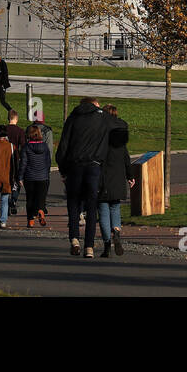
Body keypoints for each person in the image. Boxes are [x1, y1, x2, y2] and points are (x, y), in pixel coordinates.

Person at [55, 96, 113, 258]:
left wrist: (63, 169)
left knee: (73, 204)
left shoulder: (73, 118)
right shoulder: (101, 119)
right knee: (91, 206)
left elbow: (64, 146)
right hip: (94, 166)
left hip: (75, 165)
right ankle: (89, 246)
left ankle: (74, 239)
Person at [96, 104, 134, 256]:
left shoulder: (100, 135)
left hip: (103, 179)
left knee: (103, 212)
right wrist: (130, 176)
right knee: (115, 208)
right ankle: (117, 230)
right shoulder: (121, 138)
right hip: (118, 178)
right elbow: (126, 157)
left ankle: (106, 244)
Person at [18, 123, 51, 227]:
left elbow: (23, 162)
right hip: (43, 176)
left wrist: (20, 177)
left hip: (30, 176)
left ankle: (30, 220)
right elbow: (48, 161)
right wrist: (46, 172)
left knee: (30, 198)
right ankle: (40, 210)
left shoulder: (26, 147)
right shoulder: (45, 146)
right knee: (41, 197)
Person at [0, 124, 17, 228]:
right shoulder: (11, 146)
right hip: (7, 175)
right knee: (5, 199)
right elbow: (15, 162)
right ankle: (3, 221)